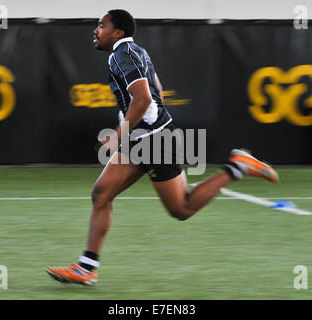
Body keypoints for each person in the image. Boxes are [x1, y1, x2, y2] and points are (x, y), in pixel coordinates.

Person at [46, 9, 279, 286]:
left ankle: (238, 166)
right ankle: (87, 269)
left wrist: (119, 134)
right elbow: (157, 86)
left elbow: (143, 99)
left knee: (182, 208)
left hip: (154, 141)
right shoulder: (134, 52)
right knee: (101, 195)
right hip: (143, 138)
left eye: (101, 26)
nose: (96, 31)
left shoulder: (123, 55)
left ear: (117, 32)